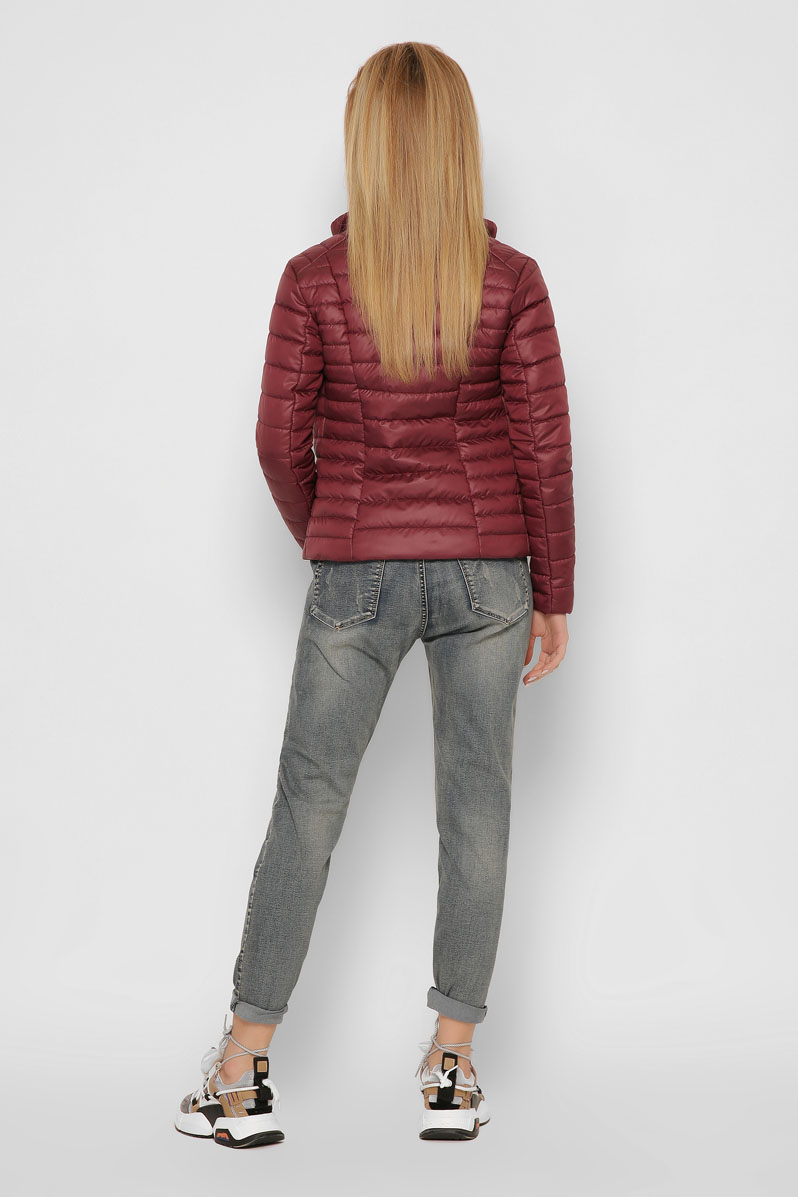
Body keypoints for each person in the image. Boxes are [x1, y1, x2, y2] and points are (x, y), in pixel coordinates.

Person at [175, 40, 576, 1148]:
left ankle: (242, 1071)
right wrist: (554, 590)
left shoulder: (313, 278)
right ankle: (453, 1066)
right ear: (457, 143)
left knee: (307, 806)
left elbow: (277, 442)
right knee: (478, 809)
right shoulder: (512, 280)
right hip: (490, 573)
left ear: (364, 142)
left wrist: (336, 535)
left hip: (355, 572)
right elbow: (543, 449)